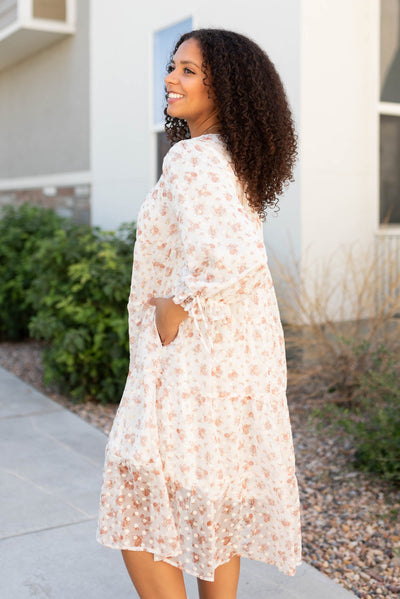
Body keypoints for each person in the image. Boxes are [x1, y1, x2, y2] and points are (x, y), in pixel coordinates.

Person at [96, 28, 302, 599]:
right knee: (212, 502)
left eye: (188, 70)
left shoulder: (191, 158)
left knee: (135, 488)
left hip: (191, 364)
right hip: (231, 364)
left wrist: (172, 306)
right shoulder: (231, 160)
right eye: (173, 66)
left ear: (225, 86)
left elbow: (232, 255)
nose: (170, 78)